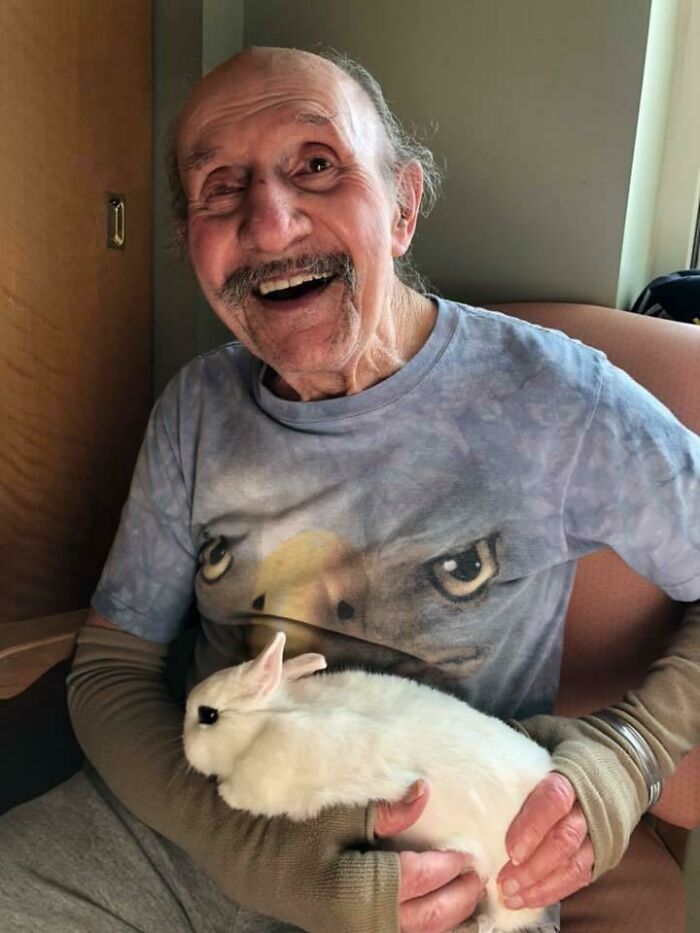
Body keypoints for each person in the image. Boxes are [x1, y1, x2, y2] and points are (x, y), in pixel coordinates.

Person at [1, 46, 698, 933]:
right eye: (221, 187)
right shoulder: (196, 407)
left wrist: (631, 753)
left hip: (445, 864)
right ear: (190, 243)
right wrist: (248, 854)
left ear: (402, 207)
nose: (269, 224)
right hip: (191, 827)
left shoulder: (552, 398)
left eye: (317, 165)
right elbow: (111, 668)